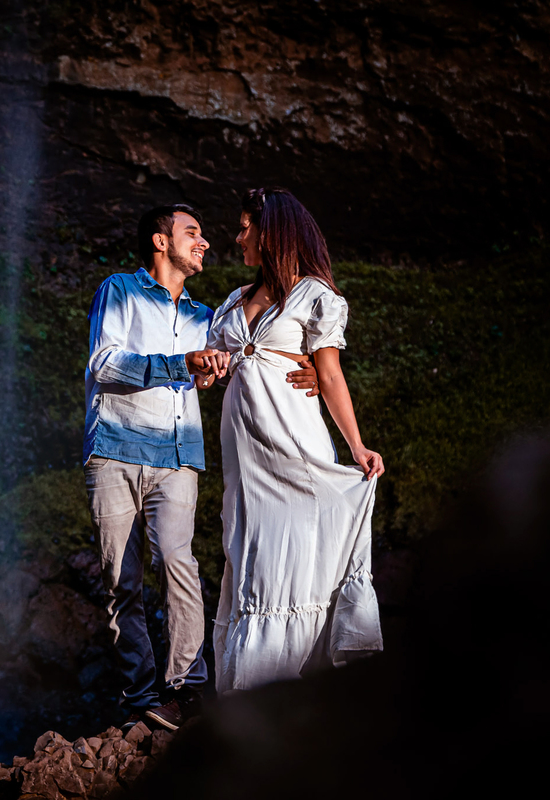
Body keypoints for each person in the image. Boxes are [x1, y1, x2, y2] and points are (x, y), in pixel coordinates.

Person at [83, 204, 320, 728]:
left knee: (178, 563)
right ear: (160, 241)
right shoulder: (118, 290)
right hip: (116, 450)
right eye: (193, 232)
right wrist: (180, 365)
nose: (206, 242)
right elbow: (104, 364)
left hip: (179, 456)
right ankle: (142, 698)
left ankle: (186, 687)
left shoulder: (204, 316)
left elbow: (251, 356)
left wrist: (316, 370)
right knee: (121, 581)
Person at [205, 187, 385, 692]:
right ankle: (247, 694)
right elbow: (210, 368)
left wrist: (356, 445)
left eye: (245, 227)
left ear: (272, 232)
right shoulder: (234, 300)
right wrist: (204, 370)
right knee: (250, 554)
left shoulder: (314, 296)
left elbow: (329, 376)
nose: (237, 236)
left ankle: (280, 690)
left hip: (292, 443)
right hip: (246, 458)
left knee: (290, 554)